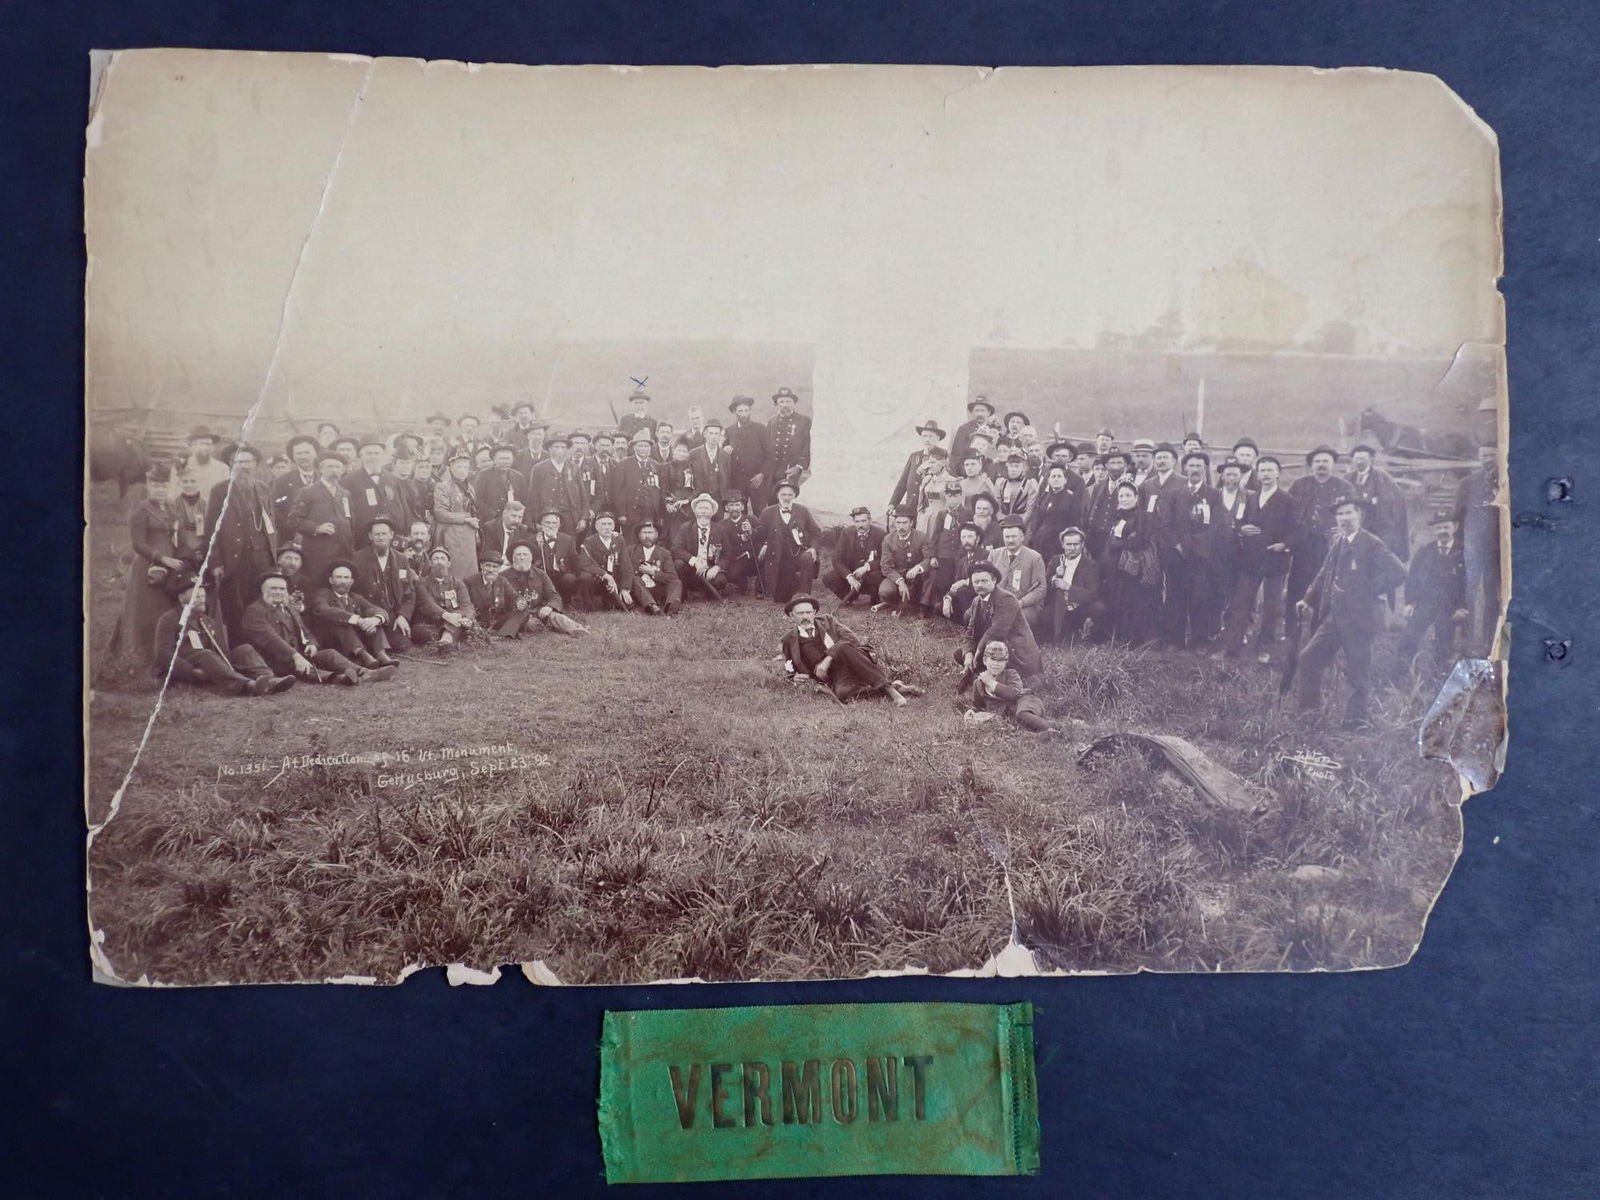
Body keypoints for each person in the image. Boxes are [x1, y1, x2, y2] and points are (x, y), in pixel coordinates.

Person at [1295, 496, 1407, 729]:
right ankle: (1309, 714)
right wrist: (1308, 599)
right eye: (1340, 514)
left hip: (1359, 619)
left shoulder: (1372, 543)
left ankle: (1355, 722)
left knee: (1358, 672)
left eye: (1349, 513)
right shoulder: (1339, 541)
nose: (1344, 518)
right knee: (1308, 659)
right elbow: (1324, 572)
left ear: (1360, 516)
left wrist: (1366, 589)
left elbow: (1398, 572)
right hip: (1334, 617)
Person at [241, 569, 390, 685]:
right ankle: (340, 678)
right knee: (301, 666)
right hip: (276, 658)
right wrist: (296, 656)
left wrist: (312, 644)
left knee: (329, 654)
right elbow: (271, 640)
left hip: (298, 653)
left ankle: (363, 672)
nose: (278, 592)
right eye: (273, 588)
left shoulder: (288, 608)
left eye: (282, 589)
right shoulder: (255, 611)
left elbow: (305, 631)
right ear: (263, 590)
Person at [155, 579, 295, 695]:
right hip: (189, 670)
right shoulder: (170, 619)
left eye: (203, 597)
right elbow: (163, 654)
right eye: (196, 597)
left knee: (245, 650)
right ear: (181, 598)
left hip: (212, 665)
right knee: (206, 654)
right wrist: (191, 671)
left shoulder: (208, 621)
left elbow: (222, 651)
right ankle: (249, 686)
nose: (202, 600)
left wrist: (226, 664)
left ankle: (270, 681)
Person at [1217, 455, 1296, 661]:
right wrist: (1242, 528)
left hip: (1275, 561)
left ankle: (1264, 648)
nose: (1267, 474)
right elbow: (1240, 520)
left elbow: (1298, 530)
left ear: (1278, 473)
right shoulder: (1251, 497)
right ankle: (1231, 650)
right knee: (1241, 604)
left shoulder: (1287, 500)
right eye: (1263, 470)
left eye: (1271, 470)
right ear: (1257, 474)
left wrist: (1285, 544)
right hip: (1251, 560)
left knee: (1271, 606)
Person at [781, 594, 920, 706]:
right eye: (800, 613)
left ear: (814, 612)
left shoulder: (828, 621)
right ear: (792, 615)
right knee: (843, 694)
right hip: (836, 675)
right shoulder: (789, 639)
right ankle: (893, 686)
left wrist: (828, 658)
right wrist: (795, 677)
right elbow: (790, 668)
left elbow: (853, 640)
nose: (805, 617)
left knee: (842, 647)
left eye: (808, 612)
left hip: (854, 661)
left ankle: (892, 692)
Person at [203, 442, 279, 641]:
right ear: (230, 464)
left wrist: (273, 556)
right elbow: (211, 528)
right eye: (238, 461)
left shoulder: (263, 488)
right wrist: (216, 562)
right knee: (236, 607)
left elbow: (271, 522)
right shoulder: (220, 491)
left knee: (261, 604)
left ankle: (262, 649)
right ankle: (240, 650)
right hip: (234, 558)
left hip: (262, 557)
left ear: (255, 464)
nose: (244, 466)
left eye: (248, 461)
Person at [119, 465, 182, 664]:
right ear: (148, 486)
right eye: (156, 486)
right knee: (146, 612)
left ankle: (165, 658)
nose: (160, 490)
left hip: (170, 567)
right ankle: (141, 658)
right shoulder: (140, 508)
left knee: (165, 611)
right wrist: (162, 558)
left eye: (163, 486)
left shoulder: (171, 507)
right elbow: (138, 544)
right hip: (147, 566)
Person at [1166, 451, 1228, 649]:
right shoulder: (1176, 494)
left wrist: (1196, 546)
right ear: (1184, 468)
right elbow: (1167, 524)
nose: (1194, 469)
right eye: (1191, 465)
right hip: (1177, 554)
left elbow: (1217, 525)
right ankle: (1175, 640)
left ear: (1204, 469)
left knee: (1200, 597)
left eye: (1199, 466)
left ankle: (1199, 640)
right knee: (1176, 597)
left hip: (1202, 557)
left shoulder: (1214, 495)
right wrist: (1177, 544)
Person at [1286, 446, 1347, 643]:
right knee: (1297, 585)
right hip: (1303, 544)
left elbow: (1356, 513)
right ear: (1311, 465)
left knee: (1325, 587)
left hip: (1330, 544)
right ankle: (1291, 629)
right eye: (1317, 461)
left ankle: (1319, 630)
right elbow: (1288, 512)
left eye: (1326, 461)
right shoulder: (1299, 485)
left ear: (1333, 465)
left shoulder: (1344, 487)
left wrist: (1343, 529)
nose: (1321, 465)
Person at [1397, 509, 1468, 673]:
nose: (1442, 531)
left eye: (1446, 527)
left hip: (1450, 607)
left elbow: (1469, 584)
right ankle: (1398, 678)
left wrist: (1462, 607)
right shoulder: (1425, 551)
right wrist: (1409, 603)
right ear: (1433, 530)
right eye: (1438, 528)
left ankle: (1437, 678)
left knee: (1443, 645)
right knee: (1408, 639)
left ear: (1455, 527)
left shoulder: (1463, 553)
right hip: (1425, 604)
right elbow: (1412, 578)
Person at [1098, 479, 1160, 647]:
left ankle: (1134, 640)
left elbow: (1141, 540)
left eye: (1128, 495)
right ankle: (1118, 637)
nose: (1124, 499)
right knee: (1118, 600)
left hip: (1131, 568)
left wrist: (1118, 544)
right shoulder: (1118, 517)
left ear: (1136, 497)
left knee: (1133, 602)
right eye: (1121, 496)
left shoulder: (1142, 516)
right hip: (1114, 567)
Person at [956, 561, 1043, 680]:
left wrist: (977, 653)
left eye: (984, 581)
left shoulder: (1007, 599)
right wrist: (968, 653)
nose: (979, 585)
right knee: (959, 654)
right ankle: (983, 670)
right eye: (976, 581)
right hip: (993, 646)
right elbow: (970, 632)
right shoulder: (976, 601)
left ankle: (991, 673)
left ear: (994, 581)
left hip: (1016, 654)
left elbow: (996, 632)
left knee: (989, 655)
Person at [288, 450, 355, 597]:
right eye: (330, 466)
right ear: (322, 469)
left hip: (342, 554)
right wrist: (316, 528)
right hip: (318, 555)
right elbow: (293, 520)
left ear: (343, 470)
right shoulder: (308, 492)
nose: (334, 470)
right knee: (317, 591)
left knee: (340, 593)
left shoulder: (345, 494)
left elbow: (350, 522)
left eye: (337, 467)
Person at [309, 560, 400, 669]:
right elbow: (322, 610)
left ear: (352, 581)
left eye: (346, 578)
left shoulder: (355, 597)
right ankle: (364, 656)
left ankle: (381, 655)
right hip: (332, 641)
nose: (342, 581)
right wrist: (355, 619)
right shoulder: (323, 594)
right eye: (338, 577)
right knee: (342, 623)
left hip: (354, 640)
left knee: (372, 620)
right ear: (331, 580)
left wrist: (375, 620)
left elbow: (376, 609)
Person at [1454, 442, 1501, 652]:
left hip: (1497, 548)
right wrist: (1460, 544)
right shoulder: (1468, 483)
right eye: (1483, 456)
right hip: (1472, 546)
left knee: (1493, 592)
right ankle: (1466, 634)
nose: (1486, 459)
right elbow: (1458, 516)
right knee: (1468, 589)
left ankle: (1491, 637)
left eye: (1491, 455)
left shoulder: (1506, 480)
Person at [487, 542, 588, 637]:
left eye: (525, 554)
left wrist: (549, 607)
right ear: (512, 558)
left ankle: (577, 629)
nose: (522, 557)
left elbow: (554, 596)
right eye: (518, 555)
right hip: (516, 614)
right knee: (531, 624)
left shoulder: (541, 574)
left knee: (557, 617)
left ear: (531, 557)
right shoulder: (502, 576)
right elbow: (497, 602)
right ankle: (544, 626)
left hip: (538, 610)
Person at [961, 640, 1058, 733]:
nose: (995, 664)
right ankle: (1054, 727)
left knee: (1022, 715)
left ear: (1005, 662)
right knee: (1021, 725)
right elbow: (978, 706)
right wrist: (971, 711)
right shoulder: (978, 683)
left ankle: (1049, 730)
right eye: (992, 659)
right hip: (1011, 713)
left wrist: (992, 683)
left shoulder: (1011, 674)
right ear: (985, 660)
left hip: (1026, 701)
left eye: (1000, 660)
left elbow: (1014, 694)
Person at [351, 517, 417, 652]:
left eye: (384, 534)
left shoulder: (401, 559)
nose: (381, 537)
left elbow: (409, 593)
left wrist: (403, 616)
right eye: (377, 534)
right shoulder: (357, 558)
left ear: (391, 535)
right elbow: (353, 592)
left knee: (403, 645)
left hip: (392, 615)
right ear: (370, 536)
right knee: (373, 643)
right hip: (368, 613)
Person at [754, 479, 820, 604]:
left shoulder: (802, 511)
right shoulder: (768, 512)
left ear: (794, 496)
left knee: (807, 558)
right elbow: (759, 535)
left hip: (798, 552)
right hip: (776, 554)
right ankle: (774, 590)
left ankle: (804, 596)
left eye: (790, 495)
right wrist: (765, 544)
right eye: (783, 494)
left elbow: (815, 532)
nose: (786, 498)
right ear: (777, 495)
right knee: (781, 597)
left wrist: (813, 548)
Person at [1345, 443, 1411, 569]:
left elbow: (1394, 500)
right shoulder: (1348, 478)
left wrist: (1376, 504)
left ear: (1370, 460)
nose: (1359, 462)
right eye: (1356, 459)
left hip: (1376, 528)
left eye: (1363, 459)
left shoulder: (1381, 477)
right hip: (1354, 527)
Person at [988, 515, 1048, 630]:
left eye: (1014, 536)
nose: (1010, 540)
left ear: (1022, 537)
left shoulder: (1035, 558)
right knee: (969, 616)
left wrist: (1021, 603)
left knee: (1014, 619)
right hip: (998, 604)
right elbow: (986, 581)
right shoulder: (994, 555)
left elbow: (1041, 589)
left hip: (1025, 605)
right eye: (1007, 537)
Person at [1044, 526, 1102, 644]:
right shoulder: (1056, 560)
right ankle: (1063, 634)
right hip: (1058, 605)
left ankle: (1084, 632)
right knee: (1043, 619)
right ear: (1063, 545)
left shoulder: (1090, 565)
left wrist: (1068, 588)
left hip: (1079, 608)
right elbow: (1044, 585)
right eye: (1068, 544)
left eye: (1075, 544)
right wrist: (1054, 577)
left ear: (1082, 545)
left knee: (1099, 608)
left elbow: (1092, 594)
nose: (1072, 548)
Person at [672, 493, 731, 601]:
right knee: (678, 564)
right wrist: (694, 561)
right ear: (695, 511)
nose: (703, 511)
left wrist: (716, 568)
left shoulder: (721, 530)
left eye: (707, 508)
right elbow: (676, 549)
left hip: (709, 569)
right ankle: (686, 591)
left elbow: (727, 555)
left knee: (721, 580)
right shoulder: (685, 528)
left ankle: (701, 591)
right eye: (700, 508)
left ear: (712, 512)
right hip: (691, 569)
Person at [432, 449, 480, 578]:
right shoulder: (443, 486)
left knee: (470, 572)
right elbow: (440, 513)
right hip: (451, 533)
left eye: (465, 467)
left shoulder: (470, 487)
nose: (462, 470)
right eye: (459, 466)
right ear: (451, 467)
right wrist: (465, 519)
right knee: (455, 571)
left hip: (468, 535)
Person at [875, 505, 931, 615]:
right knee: (885, 592)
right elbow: (886, 566)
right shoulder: (888, 539)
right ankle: (895, 602)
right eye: (898, 523)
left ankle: (916, 604)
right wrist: (900, 582)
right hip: (897, 575)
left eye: (905, 523)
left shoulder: (922, 537)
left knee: (924, 585)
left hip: (917, 577)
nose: (901, 527)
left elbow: (929, 558)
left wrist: (917, 568)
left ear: (911, 523)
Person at [824, 505, 884, 604]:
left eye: (863, 521)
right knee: (829, 578)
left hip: (870, 574)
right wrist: (849, 577)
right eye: (857, 521)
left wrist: (867, 567)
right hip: (853, 572)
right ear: (853, 522)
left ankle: (874, 600)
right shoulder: (846, 533)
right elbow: (836, 558)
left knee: (876, 576)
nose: (860, 525)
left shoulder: (880, 534)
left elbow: (884, 559)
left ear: (870, 520)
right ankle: (850, 597)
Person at [345, 439, 401, 547]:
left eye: (377, 453)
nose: (373, 457)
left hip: (390, 537)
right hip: (362, 537)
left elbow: (399, 507)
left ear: (383, 455)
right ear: (361, 456)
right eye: (369, 453)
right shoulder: (349, 481)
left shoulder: (393, 479)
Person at [578, 512, 636, 611]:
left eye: (610, 524)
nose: (607, 527)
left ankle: (611, 601)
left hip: (613, 582)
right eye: (603, 524)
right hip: (597, 580)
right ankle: (589, 606)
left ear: (613, 526)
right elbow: (584, 563)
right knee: (585, 577)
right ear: (596, 526)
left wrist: (625, 588)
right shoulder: (589, 541)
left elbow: (626, 566)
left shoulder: (619, 540)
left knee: (619, 607)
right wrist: (606, 575)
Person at [888, 420, 949, 515]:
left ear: (938, 438)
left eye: (930, 436)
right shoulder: (914, 456)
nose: (927, 439)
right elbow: (902, 483)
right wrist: (892, 503)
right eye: (924, 436)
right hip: (911, 507)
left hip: (932, 509)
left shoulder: (945, 456)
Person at [528, 434, 583, 536]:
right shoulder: (539, 468)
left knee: (569, 546)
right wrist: (536, 521)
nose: (560, 450)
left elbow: (582, 494)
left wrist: (583, 518)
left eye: (563, 447)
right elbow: (533, 497)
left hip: (570, 517)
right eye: (556, 447)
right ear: (549, 449)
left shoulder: (574, 468)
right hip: (547, 517)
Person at [940, 522, 993, 625]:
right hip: (965, 599)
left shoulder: (986, 555)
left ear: (977, 539)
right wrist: (948, 598)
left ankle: (973, 621)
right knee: (939, 607)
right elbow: (956, 583)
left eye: (969, 537)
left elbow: (986, 580)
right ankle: (966, 620)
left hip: (980, 596)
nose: (966, 540)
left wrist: (965, 582)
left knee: (963, 591)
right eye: (963, 537)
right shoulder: (963, 559)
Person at [764, 387, 812, 496]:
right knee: (772, 498)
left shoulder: (804, 421)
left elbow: (807, 446)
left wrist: (799, 466)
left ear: (794, 404)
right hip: (773, 468)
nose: (785, 404)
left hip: (791, 468)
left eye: (788, 401)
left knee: (788, 496)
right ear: (777, 404)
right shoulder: (772, 422)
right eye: (781, 402)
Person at [618, 429, 666, 536]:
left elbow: (661, 491)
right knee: (631, 541)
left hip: (651, 513)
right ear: (634, 447)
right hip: (631, 513)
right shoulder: (624, 465)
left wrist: (660, 514)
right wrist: (622, 514)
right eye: (640, 446)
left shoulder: (656, 465)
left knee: (649, 539)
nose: (644, 449)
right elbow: (619, 491)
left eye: (646, 446)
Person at [1026, 462, 1081, 556]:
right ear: (1048, 480)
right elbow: (1038, 518)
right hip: (1041, 543)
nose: (1056, 479)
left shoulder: (1071, 498)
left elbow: (1075, 523)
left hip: (1058, 545)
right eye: (1053, 476)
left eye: (1059, 476)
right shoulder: (1045, 496)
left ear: (1065, 480)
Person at [1084, 451, 1131, 560]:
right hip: (1096, 539)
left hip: (1117, 541)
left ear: (1125, 465)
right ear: (1106, 466)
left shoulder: (1131, 487)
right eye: (1112, 463)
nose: (1115, 466)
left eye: (1119, 463)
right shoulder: (1098, 486)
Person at [628, 521, 682, 615]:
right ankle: (651, 606)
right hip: (639, 591)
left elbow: (672, 576)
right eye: (644, 533)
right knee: (634, 579)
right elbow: (626, 572)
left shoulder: (665, 553)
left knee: (676, 582)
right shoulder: (630, 551)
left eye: (650, 532)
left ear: (656, 535)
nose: (647, 536)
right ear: (639, 535)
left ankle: (671, 606)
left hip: (657, 589)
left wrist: (653, 572)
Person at [475, 442, 531, 532]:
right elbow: (478, 501)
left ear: (513, 459)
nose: (505, 462)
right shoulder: (484, 476)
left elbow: (525, 501)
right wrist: (497, 517)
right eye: (501, 458)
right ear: (494, 459)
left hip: (515, 523)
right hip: (492, 523)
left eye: (508, 458)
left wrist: (519, 518)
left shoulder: (519, 477)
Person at [530, 509, 581, 605]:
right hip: (542, 575)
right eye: (547, 522)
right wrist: (537, 544)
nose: (551, 526)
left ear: (559, 525)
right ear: (541, 524)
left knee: (569, 579)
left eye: (554, 523)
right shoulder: (533, 539)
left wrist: (581, 573)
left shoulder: (567, 539)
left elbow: (575, 559)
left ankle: (566, 603)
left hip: (561, 575)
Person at [272, 435, 321, 529]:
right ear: (293, 457)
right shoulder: (281, 482)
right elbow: (276, 511)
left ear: (315, 454)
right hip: (293, 536)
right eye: (299, 453)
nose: (303, 456)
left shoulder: (325, 478)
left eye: (307, 452)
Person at [718, 493, 758, 594]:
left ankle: (759, 586)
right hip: (736, 559)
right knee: (732, 575)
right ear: (726, 508)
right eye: (731, 505)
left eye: (737, 505)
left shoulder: (752, 519)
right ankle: (742, 583)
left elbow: (761, 536)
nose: (734, 508)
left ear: (742, 507)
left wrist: (751, 531)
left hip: (753, 557)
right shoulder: (722, 525)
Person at [661, 439, 700, 541]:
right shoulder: (666, 467)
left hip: (688, 506)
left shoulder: (693, 468)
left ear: (688, 453)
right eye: (679, 450)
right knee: (672, 534)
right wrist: (667, 503)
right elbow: (663, 487)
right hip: (672, 505)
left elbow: (699, 487)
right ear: (673, 451)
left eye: (684, 451)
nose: (681, 453)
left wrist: (688, 500)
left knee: (688, 534)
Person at [688, 420, 732, 501]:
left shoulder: (725, 456)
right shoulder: (694, 454)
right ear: (705, 434)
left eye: (716, 434)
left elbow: (728, 479)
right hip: (699, 498)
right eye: (711, 433)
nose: (713, 437)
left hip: (719, 499)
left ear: (720, 436)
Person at [950, 396, 998, 471]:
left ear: (988, 413)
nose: (979, 414)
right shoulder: (963, 429)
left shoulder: (994, 430)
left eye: (982, 411)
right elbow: (956, 455)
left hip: (989, 472)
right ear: (973, 412)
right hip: (968, 471)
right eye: (977, 411)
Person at [184, 425, 231, 496]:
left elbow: (228, 496)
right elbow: (172, 496)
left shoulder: (223, 468)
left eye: (208, 444)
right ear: (192, 445)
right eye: (201, 444)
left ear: (212, 446)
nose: (205, 448)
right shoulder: (180, 467)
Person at [994, 451, 1039, 521]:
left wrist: (1019, 525)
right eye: (1011, 466)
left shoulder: (1030, 485)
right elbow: (997, 507)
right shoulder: (1001, 483)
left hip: (1021, 521)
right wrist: (1001, 521)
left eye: (1016, 466)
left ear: (1024, 468)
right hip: (1003, 521)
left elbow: (1029, 510)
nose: (1013, 469)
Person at [465, 551, 507, 620]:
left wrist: (519, 602)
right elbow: (466, 605)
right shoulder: (469, 582)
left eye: (494, 567)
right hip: (476, 621)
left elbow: (513, 597)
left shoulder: (502, 581)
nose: (491, 570)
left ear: (499, 568)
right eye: (488, 565)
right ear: (481, 566)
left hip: (497, 622)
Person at [955, 451, 999, 518]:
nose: (969, 468)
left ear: (980, 466)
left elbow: (995, 505)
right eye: (966, 465)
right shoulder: (960, 483)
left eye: (973, 464)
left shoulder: (986, 483)